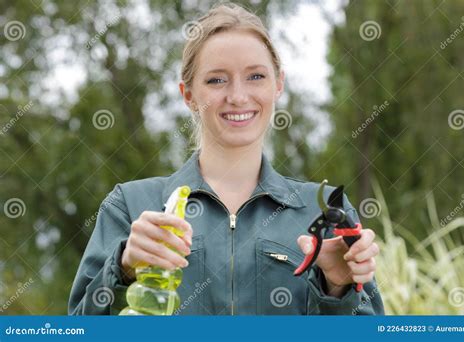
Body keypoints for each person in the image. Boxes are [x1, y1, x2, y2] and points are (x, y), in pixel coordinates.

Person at [68, 2, 384, 315]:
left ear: (279, 85)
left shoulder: (328, 211)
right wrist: (123, 268)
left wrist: (338, 289)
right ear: (188, 95)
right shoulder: (130, 205)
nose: (237, 96)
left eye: (256, 76)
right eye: (216, 80)